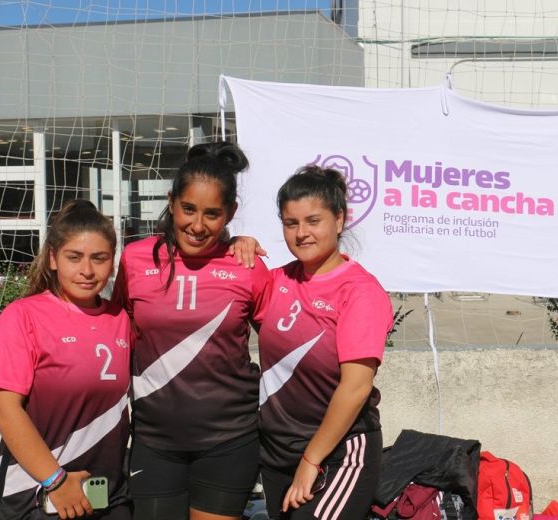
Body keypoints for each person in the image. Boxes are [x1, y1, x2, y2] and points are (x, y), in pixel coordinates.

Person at [112, 141, 272, 520]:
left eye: (213, 214)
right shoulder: (135, 259)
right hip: (154, 440)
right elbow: (114, 333)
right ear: (171, 202)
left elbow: (284, 343)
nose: (198, 226)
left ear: (230, 213)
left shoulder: (247, 265)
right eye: (189, 209)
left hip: (230, 440)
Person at [258, 166, 393, 520]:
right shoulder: (276, 281)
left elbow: (356, 388)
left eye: (313, 220)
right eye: (291, 223)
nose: (301, 233)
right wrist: (237, 246)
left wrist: (311, 460)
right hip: (276, 452)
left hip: (337, 454)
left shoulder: (360, 293)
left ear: (339, 219)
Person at [0, 199, 132, 520]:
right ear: (53, 258)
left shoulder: (122, 318)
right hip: (35, 495)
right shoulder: (23, 316)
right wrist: (56, 480)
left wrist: (233, 243)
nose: (87, 271)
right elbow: (4, 409)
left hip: (108, 495)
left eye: (99, 258)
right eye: (74, 257)